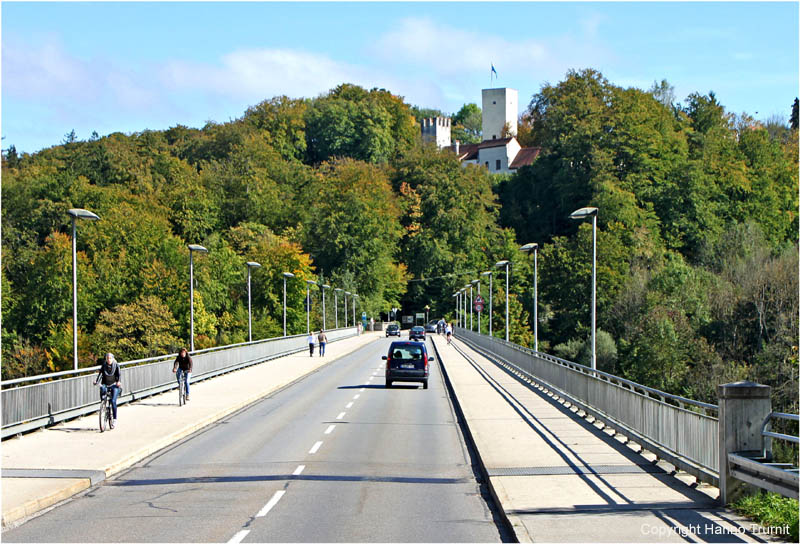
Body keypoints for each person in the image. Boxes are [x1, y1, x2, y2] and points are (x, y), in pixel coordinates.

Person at [94, 353, 121, 428]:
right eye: (107, 358)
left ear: (112, 358)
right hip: (105, 383)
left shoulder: (116, 365)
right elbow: (100, 374)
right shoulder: (104, 365)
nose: (108, 360)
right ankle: (104, 405)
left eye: (110, 358)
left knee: (113, 401)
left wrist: (118, 382)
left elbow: (119, 375)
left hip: (114, 384)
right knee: (102, 390)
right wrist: (96, 381)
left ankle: (115, 419)